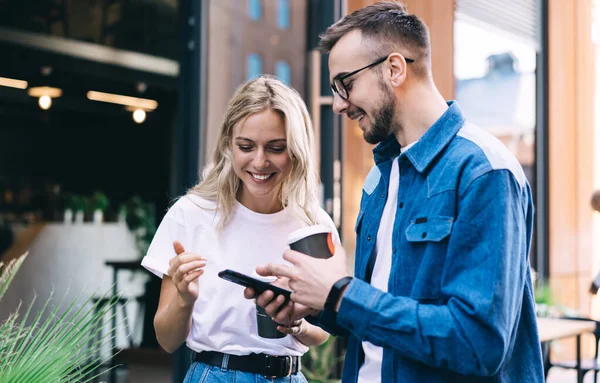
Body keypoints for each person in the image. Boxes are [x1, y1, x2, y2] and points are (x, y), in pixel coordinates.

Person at [246, 2, 545, 382]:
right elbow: (378, 315)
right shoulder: (380, 180)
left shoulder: (484, 171)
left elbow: (478, 342)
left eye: (345, 84)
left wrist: (340, 295)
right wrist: (315, 304)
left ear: (394, 68)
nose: (338, 104)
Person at [141, 75, 338, 382]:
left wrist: (296, 325)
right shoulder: (192, 214)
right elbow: (166, 340)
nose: (259, 162)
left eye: (276, 148)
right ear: (228, 145)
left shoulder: (314, 224)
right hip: (216, 375)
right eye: (246, 146)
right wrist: (184, 298)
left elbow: (322, 333)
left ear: (298, 150)